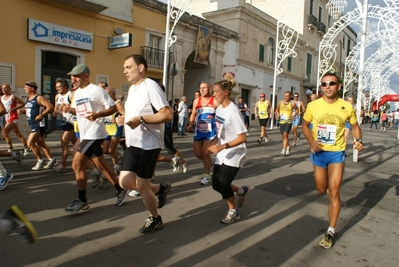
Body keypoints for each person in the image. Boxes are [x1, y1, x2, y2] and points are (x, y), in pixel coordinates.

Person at [302, 72, 364, 249]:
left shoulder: (347, 107)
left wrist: (358, 141)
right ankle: (331, 194)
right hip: (319, 153)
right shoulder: (313, 106)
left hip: (337, 153)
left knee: (334, 191)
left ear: (339, 86)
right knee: (322, 190)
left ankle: (330, 230)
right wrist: (311, 141)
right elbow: (305, 126)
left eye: (331, 83)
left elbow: (355, 127)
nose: (327, 86)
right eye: (324, 84)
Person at [117, 54, 172, 234]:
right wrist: (124, 119)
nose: (124, 71)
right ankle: (160, 189)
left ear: (140, 68)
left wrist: (142, 119)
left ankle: (155, 218)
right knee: (124, 182)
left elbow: (167, 114)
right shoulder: (133, 89)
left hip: (149, 145)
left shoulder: (151, 86)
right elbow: (135, 114)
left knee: (141, 186)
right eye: (124, 68)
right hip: (134, 143)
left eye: (128, 67)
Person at [65, 64, 127, 214]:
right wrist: (68, 109)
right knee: (102, 165)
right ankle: (120, 189)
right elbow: (82, 111)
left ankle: (82, 201)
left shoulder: (97, 91)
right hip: (85, 133)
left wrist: (98, 115)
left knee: (76, 164)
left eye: (76, 76)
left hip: (95, 134)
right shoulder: (77, 92)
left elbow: (113, 108)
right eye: (72, 76)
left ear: (86, 75)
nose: (73, 79)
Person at [208, 72, 249, 224]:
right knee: (216, 184)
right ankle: (241, 190)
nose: (214, 94)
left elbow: (243, 137)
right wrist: (213, 142)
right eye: (213, 91)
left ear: (226, 92)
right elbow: (221, 131)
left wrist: (222, 146)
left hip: (235, 151)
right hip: (222, 150)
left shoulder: (233, 111)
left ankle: (233, 211)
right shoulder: (219, 109)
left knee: (224, 183)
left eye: (216, 91)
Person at [187, 82, 219, 185]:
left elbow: (221, 114)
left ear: (209, 89)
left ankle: (207, 175)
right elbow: (193, 114)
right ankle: (210, 162)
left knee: (205, 152)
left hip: (211, 131)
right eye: (200, 88)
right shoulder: (197, 101)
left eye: (204, 88)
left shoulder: (214, 100)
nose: (202, 90)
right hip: (199, 131)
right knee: (197, 153)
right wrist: (190, 124)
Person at [22, 81, 58, 170]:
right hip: (32, 123)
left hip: (39, 124)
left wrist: (42, 115)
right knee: (40, 143)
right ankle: (51, 159)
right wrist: (23, 111)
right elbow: (30, 110)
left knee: (30, 143)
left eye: (26, 87)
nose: (24, 88)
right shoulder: (27, 99)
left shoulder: (39, 98)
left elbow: (50, 107)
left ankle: (40, 160)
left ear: (32, 88)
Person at [51, 78, 77, 172]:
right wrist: (54, 113)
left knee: (64, 143)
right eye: (56, 87)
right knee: (76, 144)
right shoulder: (57, 96)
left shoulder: (70, 95)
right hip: (63, 122)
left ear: (65, 86)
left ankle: (63, 164)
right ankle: (90, 159)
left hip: (71, 122)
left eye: (59, 87)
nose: (57, 88)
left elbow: (76, 108)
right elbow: (55, 109)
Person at [1, 84, 30, 155]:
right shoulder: (1, 97)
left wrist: (15, 108)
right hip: (6, 117)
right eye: (3, 89)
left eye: (6, 88)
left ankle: (10, 148)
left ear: (10, 89)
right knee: (18, 134)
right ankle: (26, 146)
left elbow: (22, 103)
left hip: (13, 117)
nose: (4, 90)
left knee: (4, 133)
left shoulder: (12, 97)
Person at [103, 86, 125, 176]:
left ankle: (116, 166)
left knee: (111, 150)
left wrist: (116, 119)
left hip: (116, 129)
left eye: (106, 94)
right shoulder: (106, 103)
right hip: (107, 129)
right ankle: (119, 153)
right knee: (105, 151)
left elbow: (125, 115)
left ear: (112, 94)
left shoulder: (118, 104)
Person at [275, 91, 297, 156]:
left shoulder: (292, 103)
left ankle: (283, 149)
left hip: (288, 121)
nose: (286, 97)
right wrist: (277, 114)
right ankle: (288, 146)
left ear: (290, 96)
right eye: (285, 96)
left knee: (285, 135)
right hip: (281, 121)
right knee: (283, 136)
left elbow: (297, 109)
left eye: (287, 96)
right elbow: (277, 109)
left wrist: (294, 115)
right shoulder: (280, 102)